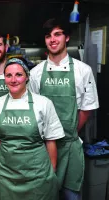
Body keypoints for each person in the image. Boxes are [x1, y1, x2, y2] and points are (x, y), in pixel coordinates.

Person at [29, 18, 99, 200]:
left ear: (66, 38)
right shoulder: (36, 73)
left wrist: (68, 133)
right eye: (48, 36)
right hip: (42, 147)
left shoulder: (83, 70)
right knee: (44, 194)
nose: (52, 39)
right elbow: (33, 109)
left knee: (71, 195)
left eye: (57, 34)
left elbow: (87, 108)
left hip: (70, 147)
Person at [0, 57, 65, 200]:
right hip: (6, 175)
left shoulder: (43, 103)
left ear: (27, 77)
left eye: (18, 75)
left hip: (37, 174)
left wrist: (51, 172)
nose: (13, 79)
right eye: (9, 75)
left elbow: (51, 140)